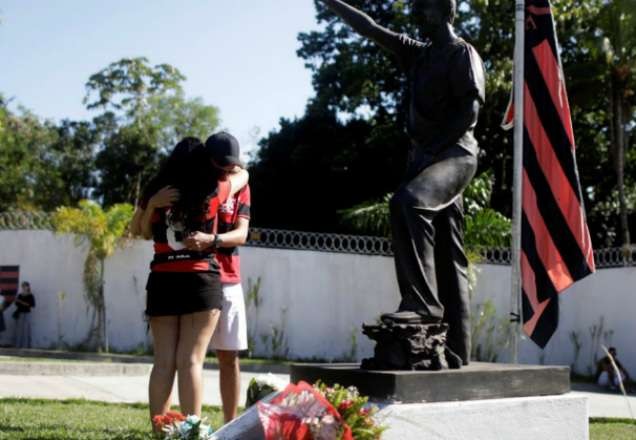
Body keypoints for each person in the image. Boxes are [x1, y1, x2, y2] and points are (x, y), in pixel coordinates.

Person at [319, 0, 485, 365]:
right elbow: (370, 28)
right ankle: (456, 346)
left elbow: (470, 111)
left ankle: (421, 303)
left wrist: (434, 151)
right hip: (425, 158)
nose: (419, 16)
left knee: (407, 202)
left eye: (425, 10)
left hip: (456, 153)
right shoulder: (419, 55)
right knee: (448, 248)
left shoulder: (462, 54)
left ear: (444, 13)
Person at [132, 137, 249, 430]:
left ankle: (160, 430)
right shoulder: (212, 190)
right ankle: (191, 432)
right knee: (191, 361)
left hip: (163, 279)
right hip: (201, 280)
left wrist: (152, 205)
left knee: (163, 363)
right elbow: (242, 176)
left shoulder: (157, 193)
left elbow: (141, 232)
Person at [199, 132, 251, 423]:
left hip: (229, 278)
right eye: (224, 164)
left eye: (234, 164)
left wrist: (212, 239)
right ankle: (179, 423)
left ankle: (230, 424)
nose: (230, 169)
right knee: (190, 357)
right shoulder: (199, 184)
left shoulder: (241, 185)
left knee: (229, 357)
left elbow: (241, 234)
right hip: (198, 275)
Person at [13, 281, 36, 348]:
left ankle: (25, 346)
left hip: (27, 313)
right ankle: (17, 345)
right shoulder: (20, 295)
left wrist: (21, 302)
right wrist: (17, 301)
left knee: (26, 329)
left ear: (28, 287)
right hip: (20, 312)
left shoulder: (31, 295)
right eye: (22, 286)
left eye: (25, 286)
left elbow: (32, 305)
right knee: (19, 330)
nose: (23, 287)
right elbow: (17, 304)